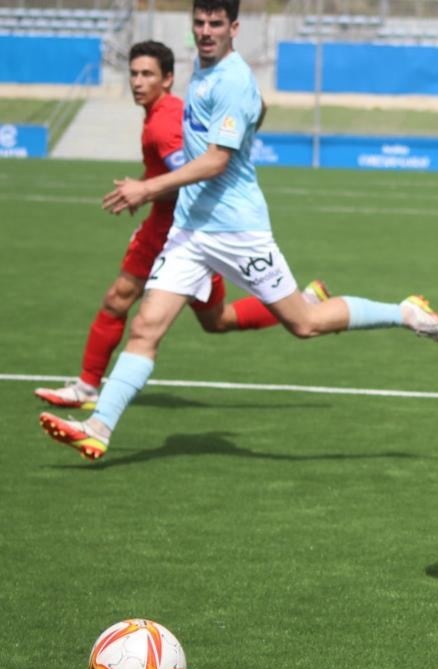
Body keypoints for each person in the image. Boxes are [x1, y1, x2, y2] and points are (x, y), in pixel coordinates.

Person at [38, 0, 438, 461]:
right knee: (146, 327)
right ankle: (98, 427)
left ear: (234, 27)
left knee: (304, 323)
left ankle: (407, 312)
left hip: (238, 230)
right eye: (199, 23)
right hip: (191, 231)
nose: (205, 31)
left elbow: (217, 159)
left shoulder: (233, 78)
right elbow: (259, 108)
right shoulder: (206, 68)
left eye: (216, 23)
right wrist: (251, 115)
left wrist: (147, 187)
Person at [34, 40, 330, 412]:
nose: (137, 82)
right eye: (134, 74)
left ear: (168, 79)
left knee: (117, 300)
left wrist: (145, 191)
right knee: (216, 320)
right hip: (199, 229)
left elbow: (189, 178)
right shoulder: (168, 111)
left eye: (147, 75)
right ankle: (300, 304)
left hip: (177, 232)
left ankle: (88, 386)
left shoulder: (163, 124)